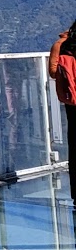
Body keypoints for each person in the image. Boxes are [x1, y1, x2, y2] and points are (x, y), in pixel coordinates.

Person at [49, 24, 76, 182]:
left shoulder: (60, 45)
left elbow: (53, 71)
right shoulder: (61, 45)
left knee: (73, 139)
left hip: (71, 99)